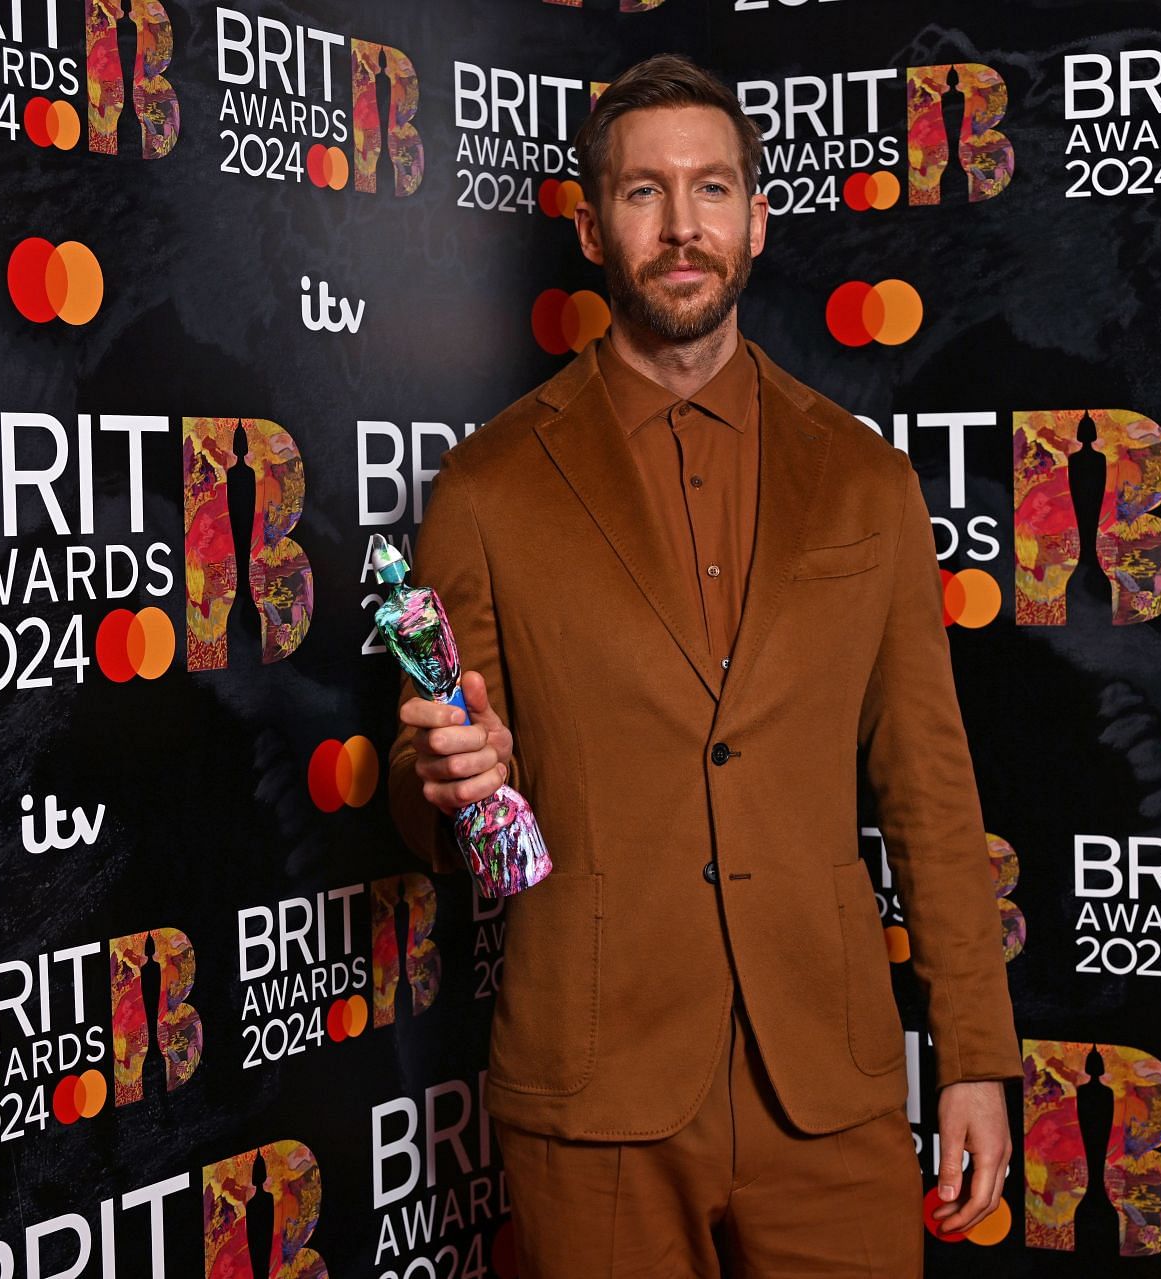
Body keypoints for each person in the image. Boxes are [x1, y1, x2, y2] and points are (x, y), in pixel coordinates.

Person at [386, 51, 1020, 1278]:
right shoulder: (487, 488)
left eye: (713, 188)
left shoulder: (867, 479)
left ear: (757, 218)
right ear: (589, 226)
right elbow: (433, 817)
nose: (683, 227)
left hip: (827, 1083)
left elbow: (931, 788)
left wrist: (977, 1055)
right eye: (642, 193)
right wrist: (448, 781)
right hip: (594, 1085)